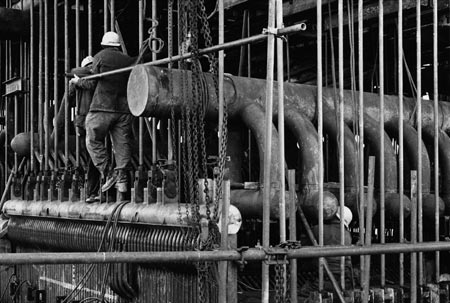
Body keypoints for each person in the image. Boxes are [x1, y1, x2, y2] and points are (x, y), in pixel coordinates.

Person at [79, 31, 135, 194]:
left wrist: (78, 81)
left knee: (92, 139)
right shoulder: (127, 60)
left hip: (102, 107)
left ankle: (108, 173)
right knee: (122, 144)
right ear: (117, 45)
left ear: (104, 44)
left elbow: (91, 84)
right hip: (124, 109)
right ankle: (122, 179)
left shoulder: (100, 56)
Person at [68, 55, 101, 203]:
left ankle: (93, 191)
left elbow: (70, 97)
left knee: (91, 157)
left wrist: (75, 82)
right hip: (90, 121)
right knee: (93, 157)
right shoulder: (92, 79)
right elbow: (70, 97)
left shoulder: (84, 80)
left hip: (84, 122)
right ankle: (93, 192)